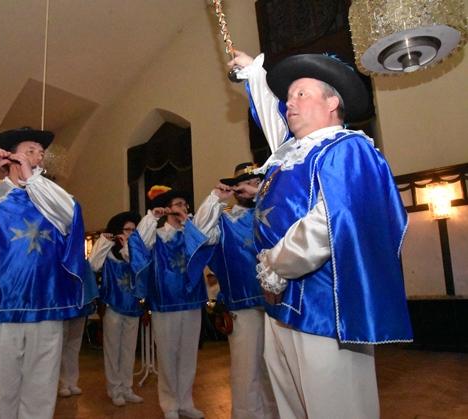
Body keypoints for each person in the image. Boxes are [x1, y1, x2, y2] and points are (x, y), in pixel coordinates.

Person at [228, 51, 413, 418]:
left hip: (325, 309)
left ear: (332, 103)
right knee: (293, 406)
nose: (290, 103)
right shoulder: (292, 154)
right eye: (288, 97)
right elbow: (272, 118)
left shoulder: (348, 148)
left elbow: (329, 221)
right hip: (280, 305)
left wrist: (274, 266)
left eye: (301, 94)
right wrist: (253, 73)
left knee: (336, 406)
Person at [0, 127, 94, 419]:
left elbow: (72, 216)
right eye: (30, 151)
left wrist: (34, 180)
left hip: (46, 307)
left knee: (41, 393)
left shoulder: (50, 197)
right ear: (9, 157)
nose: (38, 157)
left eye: (41, 153)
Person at [194, 163, 278, 419]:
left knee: (276, 371)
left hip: (278, 304)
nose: (251, 187)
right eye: (246, 183)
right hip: (243, 305)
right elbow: (199, 232)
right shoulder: (225, 219)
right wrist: (215, 198)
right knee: (246, 371)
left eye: (256, 182)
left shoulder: (274, 211)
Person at [129, 186, 214, 419]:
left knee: (188, 356)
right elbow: (138, 243)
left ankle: (186, 402)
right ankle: (169, 405)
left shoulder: (191, 233)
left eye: (185, 205)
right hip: (164, 302)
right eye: (178, 204)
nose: (183, 208)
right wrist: (152, 217)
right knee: (167, 355)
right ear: (167, 209)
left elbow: (208, 242)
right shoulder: (156, 235)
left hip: (192, 300)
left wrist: (188, 223)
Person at [88, 211, 144, 407]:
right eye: (127, 230)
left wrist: (129, 245)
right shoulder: (109, 252)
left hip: (133, 307)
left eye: (134, 230)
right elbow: (93, 265)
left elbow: (136, 266)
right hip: (113, 306)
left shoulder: (136, 251)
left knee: (129, 350)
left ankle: (127, 388)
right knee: (113, 350)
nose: (131, 233)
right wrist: (104, 241)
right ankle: (114, 389)